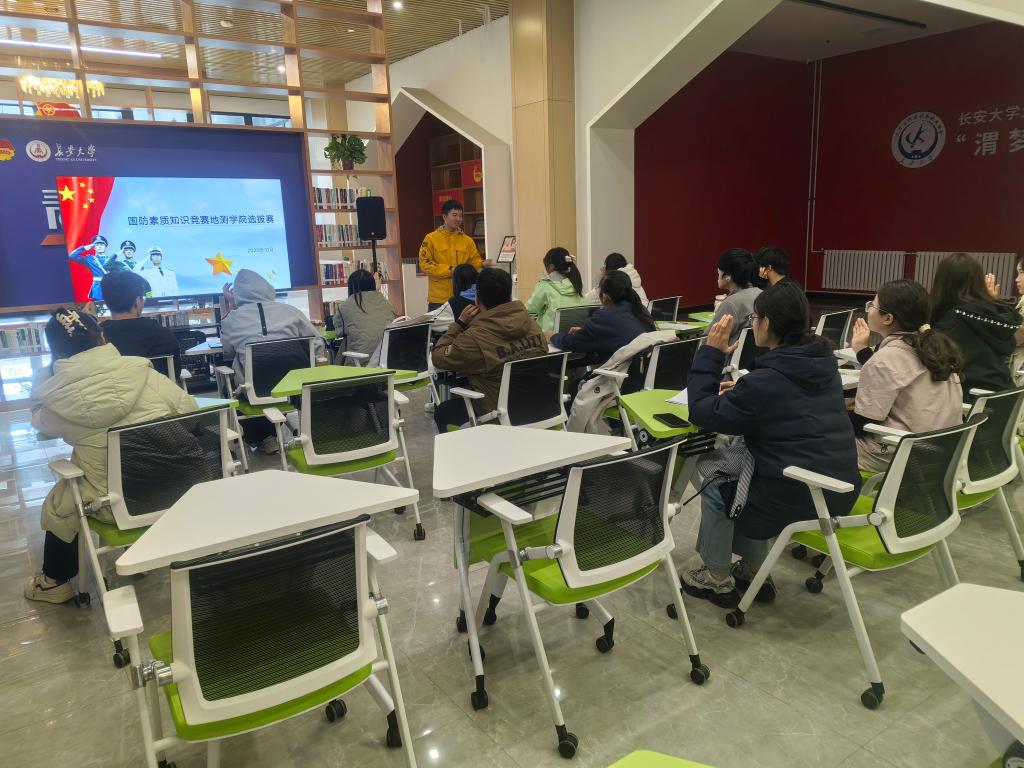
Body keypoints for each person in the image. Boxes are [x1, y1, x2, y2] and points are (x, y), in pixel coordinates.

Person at [682, 281, 861, 608]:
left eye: (755, 318)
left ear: (767, 323)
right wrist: (743, 389)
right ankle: (755, 570)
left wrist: (711, 353)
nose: (752, 324)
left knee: (712, 472)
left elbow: (703, 412)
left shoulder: (765, 382)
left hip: (796, 495)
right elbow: (788, 406)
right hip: (838, 488)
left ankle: (717, 577)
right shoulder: (823, 365)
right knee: (745, 468)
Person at [24, 308, 197, 604]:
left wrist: (43, 378)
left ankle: (53, 583)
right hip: (179, 488)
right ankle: (139, 549)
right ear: (102, 337)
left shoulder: (57, 398)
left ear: (55, 352)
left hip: (115, 505)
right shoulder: (142, 371)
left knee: (61, 501)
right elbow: (189, 413)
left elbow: (40, 423)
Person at [849, 280, 964, 473]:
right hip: (941, 451)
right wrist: (861, 350)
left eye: (872, 305)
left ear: (887, 318)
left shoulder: (886, 359)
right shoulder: (932, 348)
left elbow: (864, 424)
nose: (868, 309)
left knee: (816, 443)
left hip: (900, 452)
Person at [220, 269, 324, 452]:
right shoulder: (291, 311)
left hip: (253, 392)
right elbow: (317, 343)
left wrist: (230, 305)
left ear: (237, 295)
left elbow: (227, 349)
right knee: (278, 369)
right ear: (268, 288)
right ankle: (285, 430)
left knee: (228, 381)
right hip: (294, 388)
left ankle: (261, 438)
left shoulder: (232, 318)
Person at [430, 267, 546, 432]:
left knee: (443, 412)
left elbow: (438, 357)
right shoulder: (533, 325)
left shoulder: (474, 338)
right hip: (541, 407)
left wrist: (459, 324)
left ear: (477, 299)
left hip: (498, 414)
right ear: (509, 296)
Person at [930, 252, 1020, 399]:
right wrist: (991, 301)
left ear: (942, 282)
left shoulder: (950, 321)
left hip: (971, 402)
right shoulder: (994, 315)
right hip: (1006, 397)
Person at [549, 270, 656, 364]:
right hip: (641, 373)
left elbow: (571, 343)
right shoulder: (641, 310)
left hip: (620, 377)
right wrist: (585, 332)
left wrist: (553, 336)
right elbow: (620, 333)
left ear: (604, 297)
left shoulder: (603, 317)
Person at [100, 271, 182, 375]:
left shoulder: (97, 339)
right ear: (138, 301)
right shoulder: (162, 335)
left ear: (107, 302)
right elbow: (175, 374)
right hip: (156, 385)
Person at [419, 199, 485, 310]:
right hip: (439, 299)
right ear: (444, 217)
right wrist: (450, 270)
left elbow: (474, 263)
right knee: (438, 322)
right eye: (454, 215)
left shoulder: (468, 241)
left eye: (460, 216)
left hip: (463, 297)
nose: (458, 219)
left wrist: (482, 264)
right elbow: (425, 264)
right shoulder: (430, 238)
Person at [332, 269, 397, 360]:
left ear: (351, 286)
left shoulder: (344, 306)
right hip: (388, 358)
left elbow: (339, 332)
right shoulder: (386, 302)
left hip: (361, 359)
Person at [523, 247, 588, 332]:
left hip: (551, 336)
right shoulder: (576, 284)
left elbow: (528, 310)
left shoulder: (545, 285)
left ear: (551, 267)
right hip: (574, 334)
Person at [709, 248, 761, 346]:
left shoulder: (731, 304)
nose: (718, 271)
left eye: (720, 269)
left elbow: (707, 341)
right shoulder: (762, 294)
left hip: (729, 354)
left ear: (728, 276)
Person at [431, 263, 479, 334]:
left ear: (456, 282)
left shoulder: (455, 303)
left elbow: (429, 321)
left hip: (463, 339)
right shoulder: (487, 297)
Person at [584, 252, 648, 304]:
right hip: (646, 314)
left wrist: (604, 277)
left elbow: (586, 300)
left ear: (607, 269)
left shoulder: (611, 282)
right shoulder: (634, 278)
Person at [67, 235, 109, 301]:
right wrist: (84, 248)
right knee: (99, 306)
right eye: (97, 245)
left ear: (105, 246)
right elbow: (71, 256)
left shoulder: (113, 260)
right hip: (98, 288)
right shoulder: (90, 259)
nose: (99, 246)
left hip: (111, 286)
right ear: (94, 247)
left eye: (101, 244)